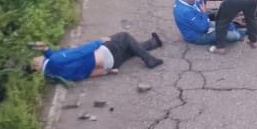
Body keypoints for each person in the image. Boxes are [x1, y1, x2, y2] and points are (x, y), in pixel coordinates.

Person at [30, 32, 163, 82]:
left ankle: (153, 43)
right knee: (124, 37)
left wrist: (107, 72)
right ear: (37, 67)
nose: (35, 57)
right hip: (104, 55)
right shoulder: (55, 61)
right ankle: (150, 60)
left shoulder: (53, 74)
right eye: (34, 60)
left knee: (128, 49)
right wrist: (98, 41)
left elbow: (83, 75)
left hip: (109, 64)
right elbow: (80, 52)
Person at [173, 0, 245, 46]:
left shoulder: (185, 1)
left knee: (224, 24)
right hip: (197, 36)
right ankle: (241, 33)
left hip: (202, 22)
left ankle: (235, 30)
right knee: (235, 36)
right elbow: (203, 28)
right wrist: (204, 13)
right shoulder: (185, 11)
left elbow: (200, 5)